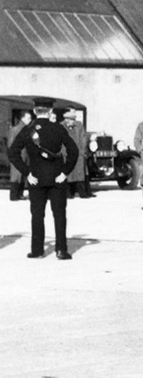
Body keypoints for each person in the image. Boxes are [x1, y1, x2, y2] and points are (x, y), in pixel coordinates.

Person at [6, 98, 79, 259]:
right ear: (50, 111)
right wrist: (65, 172)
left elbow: (13, 153)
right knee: (59, 215)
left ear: (34, 111)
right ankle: (61, 250)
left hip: (36, 178)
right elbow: (74, 151)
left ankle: (37, 250)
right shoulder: (58, 129)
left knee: (37, 216)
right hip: (57, 178)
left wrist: (27, 172)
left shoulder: (28, 130)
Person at [58, 109, 92, 198]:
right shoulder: (61, 126)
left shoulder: (79, 125)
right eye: (71, 120)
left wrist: (82, 151)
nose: (73, 122)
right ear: (66, 120)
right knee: (67, 174)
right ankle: (68, 194)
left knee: (79, 174)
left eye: (73, 120)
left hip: (78, 154)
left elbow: (83, 139)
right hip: (66, 154)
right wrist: (64, 153)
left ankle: (82, 193)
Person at [8, 109, 32, 201]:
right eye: (28, 118)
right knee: (16, 176)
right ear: (22, 118)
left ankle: (19, 194)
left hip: (26, 156)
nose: (30, 120)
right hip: (18, 156)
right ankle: (14, 195)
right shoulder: (15, 130)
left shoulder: (28, 129)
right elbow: (10, 145)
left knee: (22, 176)